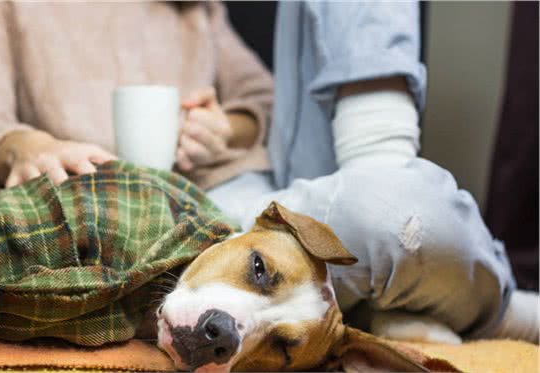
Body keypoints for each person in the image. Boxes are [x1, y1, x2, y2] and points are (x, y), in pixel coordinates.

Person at [207, 2, 539, 343]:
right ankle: (487, 310)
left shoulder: (192, 13)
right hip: (202, 195)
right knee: (389, 218)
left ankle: (384, 178)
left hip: (271, 174)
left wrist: (224, 127)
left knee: (389, 214)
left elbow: (259, 98)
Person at [0, 2, 272, 195]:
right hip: (91, 201)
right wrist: (27, 148)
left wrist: (223, 129)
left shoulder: (197, 8)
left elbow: (267, 98)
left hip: (217, 187)